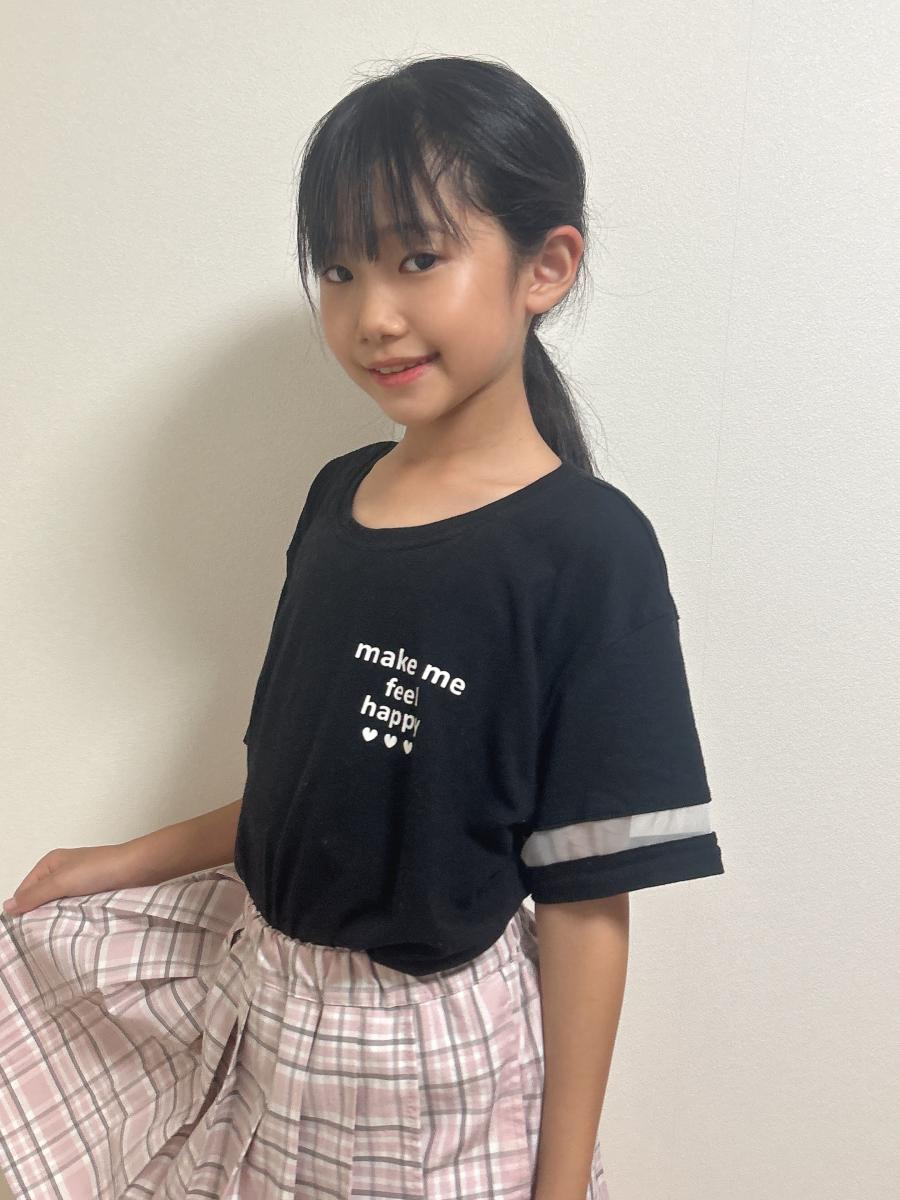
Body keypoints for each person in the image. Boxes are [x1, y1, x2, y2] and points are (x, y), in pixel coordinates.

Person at [0, 54, 724, 1200]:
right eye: (338, 269)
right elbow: (313, 788)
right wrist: (118, 861)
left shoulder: (590, 552)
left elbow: (587, 909)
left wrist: (560, 1189)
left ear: (546, 266)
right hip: (270, 1016)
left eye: (417, 258)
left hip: (434, 1073)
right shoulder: (337, 498)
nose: (370, 314)